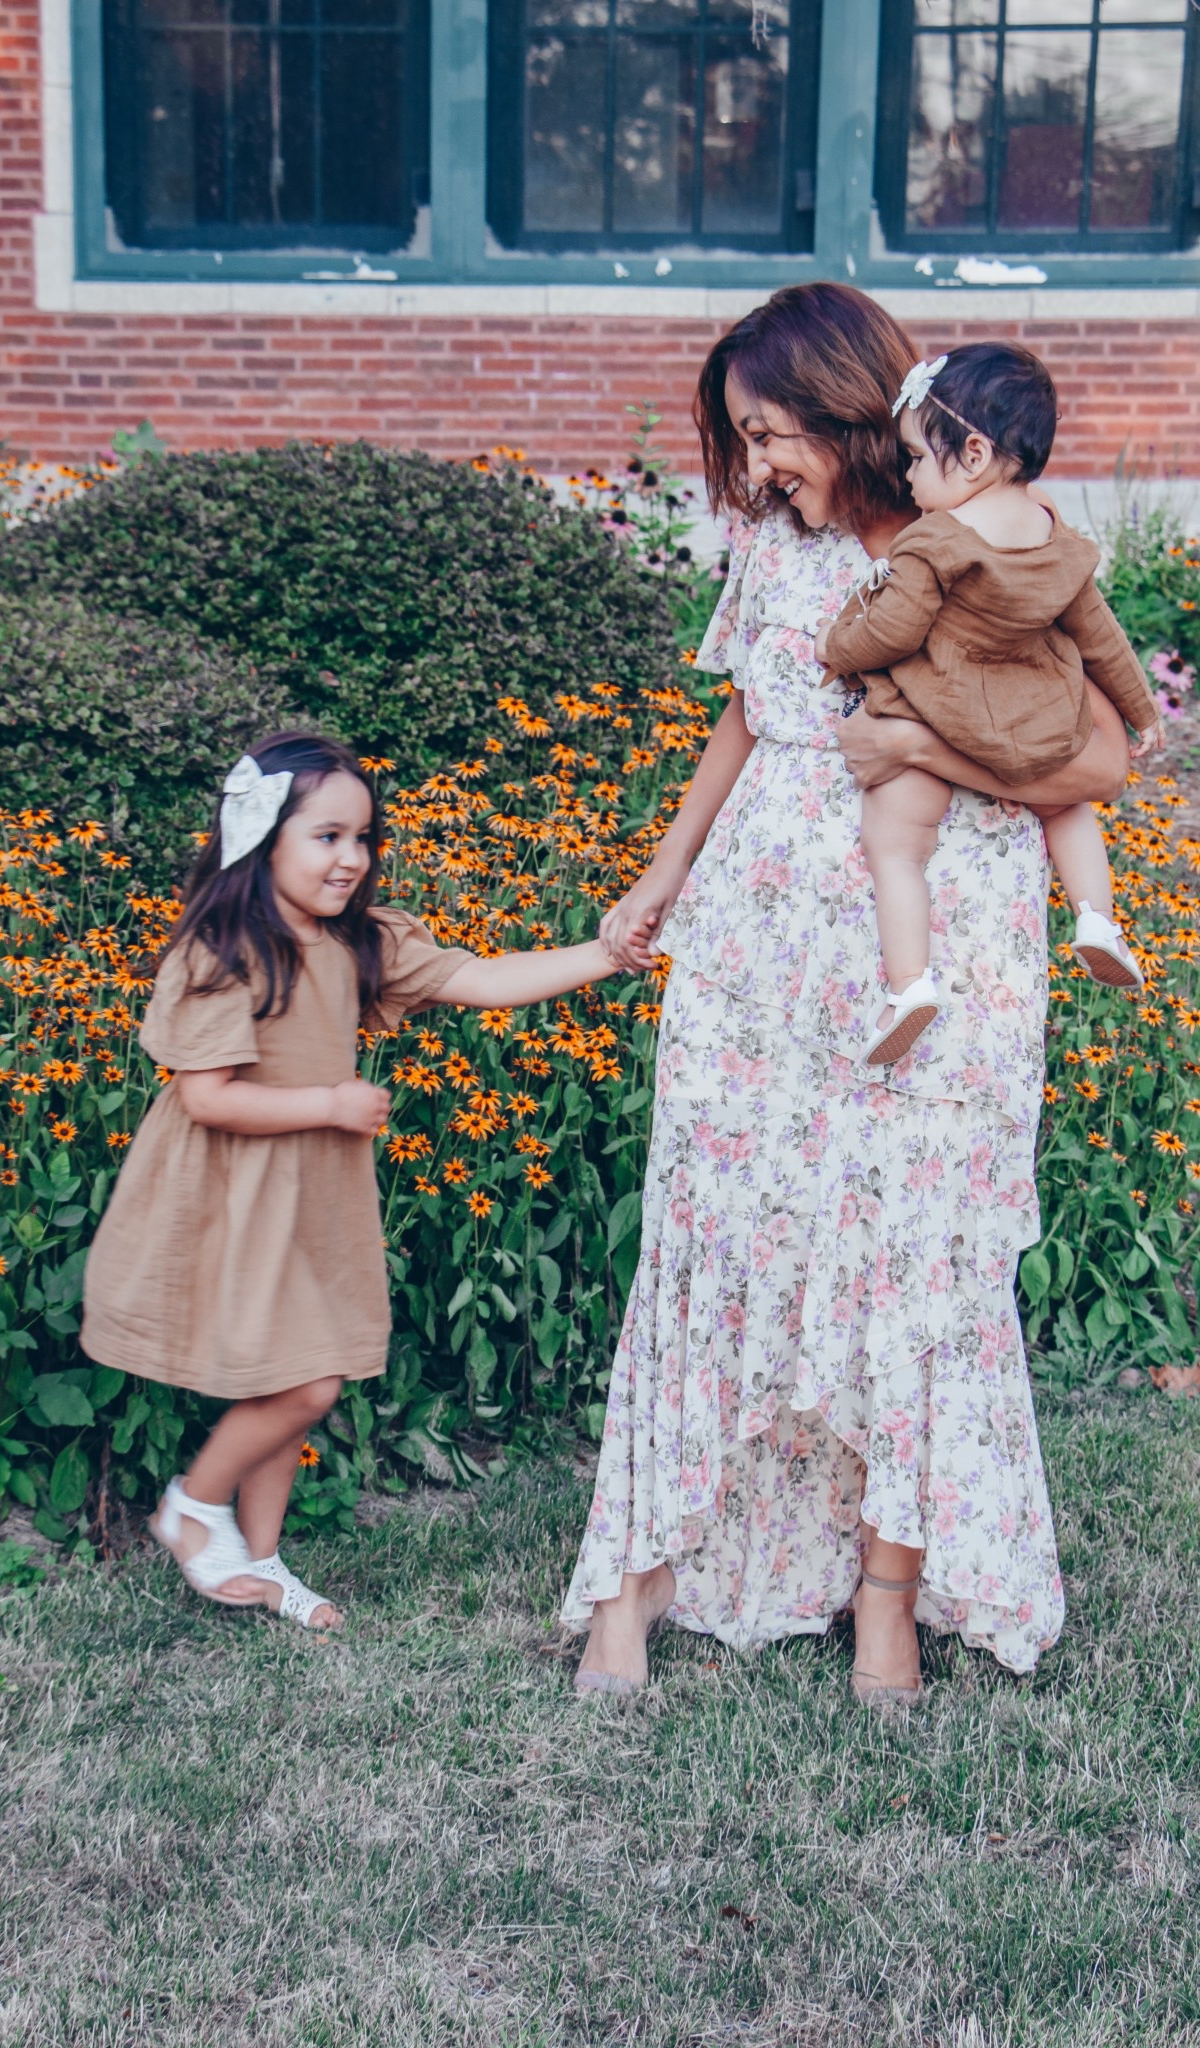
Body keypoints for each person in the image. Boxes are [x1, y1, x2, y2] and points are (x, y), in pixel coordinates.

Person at [562, 283, 1130, 1703]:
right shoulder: (771, 550)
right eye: (742, 443)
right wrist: (660, 877)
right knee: (716, 1232)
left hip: (943, 941)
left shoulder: (994, 555)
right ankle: (633, 1583)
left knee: (915, 1260)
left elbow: (1106, 754)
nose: (756, 470)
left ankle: (887, 1593)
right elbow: (750, 714)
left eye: (771, 437)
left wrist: (930, 763)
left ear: (846, 411)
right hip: (759, 952)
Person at [82, 732, 617, 1626]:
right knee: (309, 1382)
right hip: (234, 1190)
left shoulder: (356, 941)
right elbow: (208, 1099)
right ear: (263, 838)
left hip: (309, 1192)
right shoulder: (225, 950)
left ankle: (259, 1562)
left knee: (291, 1376)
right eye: (326, 837)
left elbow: (479, 978)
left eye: (362, 839)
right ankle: (191, 1506)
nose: (351, 859)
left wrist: (608, 956)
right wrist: (330, 1102)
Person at [812, 342, 1160, 1066]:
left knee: (897, 842)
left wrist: (836, 645)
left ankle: (909, 984)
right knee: (1068, 806)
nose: (906, 475)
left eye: (912, 457)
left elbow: (896, 629)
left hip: (947, 716)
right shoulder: (1053, 537)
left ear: (971, 454)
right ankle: (1097, 919)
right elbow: (1102, 637)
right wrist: (1143, 713)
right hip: (1038, 718)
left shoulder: (935, 539)